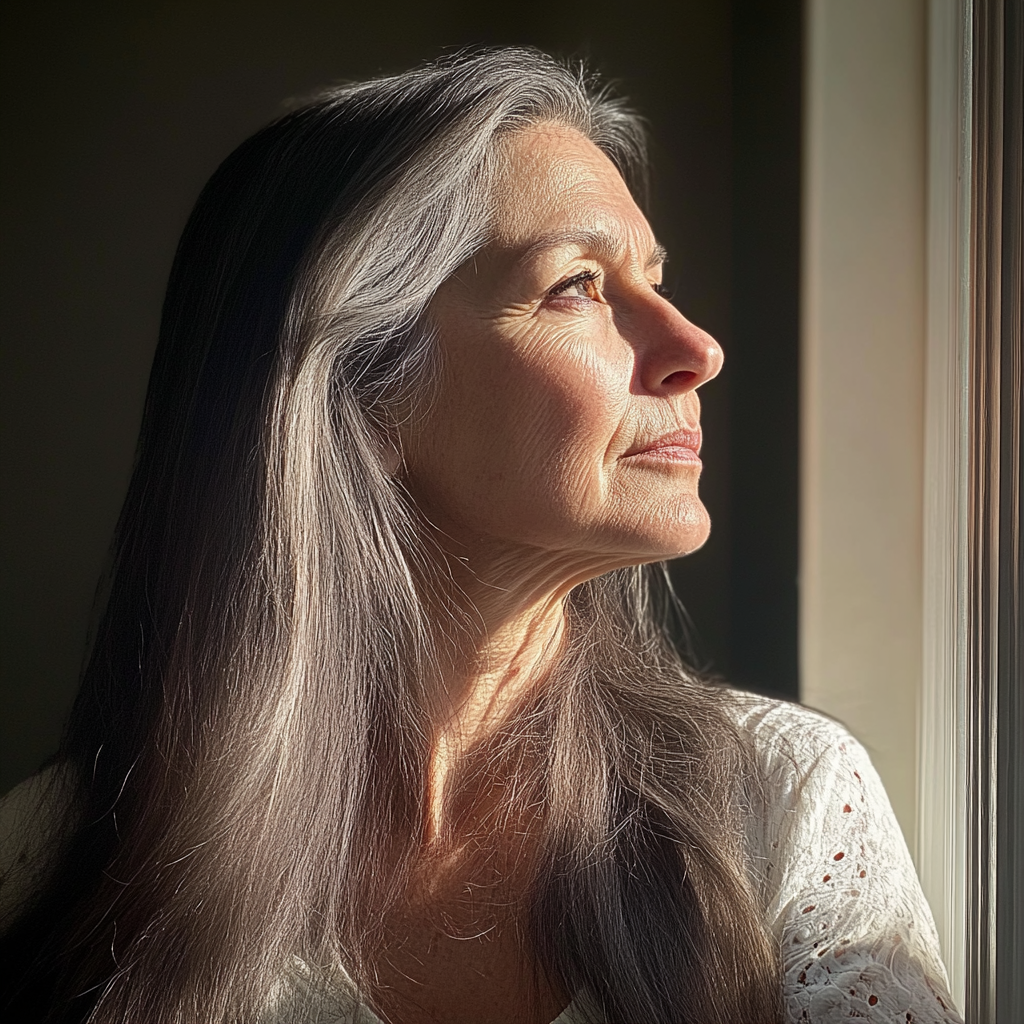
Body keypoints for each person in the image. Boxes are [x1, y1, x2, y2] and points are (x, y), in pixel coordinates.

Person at [0, 48, 961, 1024]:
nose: (697, 349)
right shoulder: (55, 867)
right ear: (362, 395)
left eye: (655, 280)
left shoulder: (784, 805)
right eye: (577, 285)